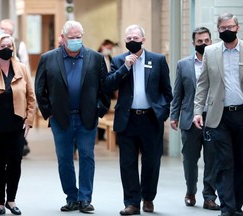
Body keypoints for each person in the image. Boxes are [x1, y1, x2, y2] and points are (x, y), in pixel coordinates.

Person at [35, 20, 110, 213]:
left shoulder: (95, 58)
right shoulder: (48, 58)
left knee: (87, 157)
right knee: (64, 159)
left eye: (79, 37)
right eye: (72, 37)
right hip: (61, 119)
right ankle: (71, 197)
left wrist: (99, 110)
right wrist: (49, 113)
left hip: (87, 118)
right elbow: (40, 89)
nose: (76, 40)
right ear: (63, 37)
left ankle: (85, 199)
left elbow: (105, 88)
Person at [104, 24, 173, 215]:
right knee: (127, 163)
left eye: (135, 38)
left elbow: (167, 91)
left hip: (151, 119)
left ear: (143, 40)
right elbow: (109, 85)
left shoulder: (157, 60)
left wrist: (163, 112)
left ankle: (148, 198)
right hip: (128, 120)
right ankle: (132, 202)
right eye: (128, 39)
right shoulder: (118, 60)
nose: (132, 41)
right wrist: (126, 67)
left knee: (151, 162)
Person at [193, 13, 243, 216]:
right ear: (218, 30)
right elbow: (202, 85)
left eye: (230, 27)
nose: (227, 30)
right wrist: (198, 111)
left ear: (237, 27)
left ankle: (237, 205)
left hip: (241, 114)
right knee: (224, 162)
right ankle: (228, 208)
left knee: (240, 162)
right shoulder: (211, 52)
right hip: (218, 116)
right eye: (222, 28)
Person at [0, 33, 35, 216]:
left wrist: (29, 121)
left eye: (10, 45)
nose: (8, 49)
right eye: (4, 46)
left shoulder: (21, 68)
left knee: (15, 163)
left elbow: (31, 96)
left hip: (16, 126)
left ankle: (11, 200)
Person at [170, 27, 220, 210]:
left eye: (207, 40)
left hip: (214, 118)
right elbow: (178, 93)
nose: (204, 44)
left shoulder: (217, 61)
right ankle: (190, 191)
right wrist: (174, 115)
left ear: (211, 41)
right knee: (190, 159)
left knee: (212, 159)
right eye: (200, 41)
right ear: (193, 44)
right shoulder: (183, 64)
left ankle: (209, 197)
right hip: (190, 119)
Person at [0, 19, 32, 156]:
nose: (0, 30)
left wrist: (29, 118)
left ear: (11, 31)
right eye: (0, 28)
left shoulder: (20, 46)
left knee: (14, 161)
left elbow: (26, 67)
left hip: (16, 96)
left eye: (3, 28)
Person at [97, 39, 117, 141]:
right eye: (108, 48)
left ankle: (105, 134)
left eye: (111, 48)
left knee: (108, 109)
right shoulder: (96, 56)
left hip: (108, 87)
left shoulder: (110, 58)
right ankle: (99, 134)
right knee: (100, 109)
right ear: (103, 46)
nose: (109, 50)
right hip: (99, 88)